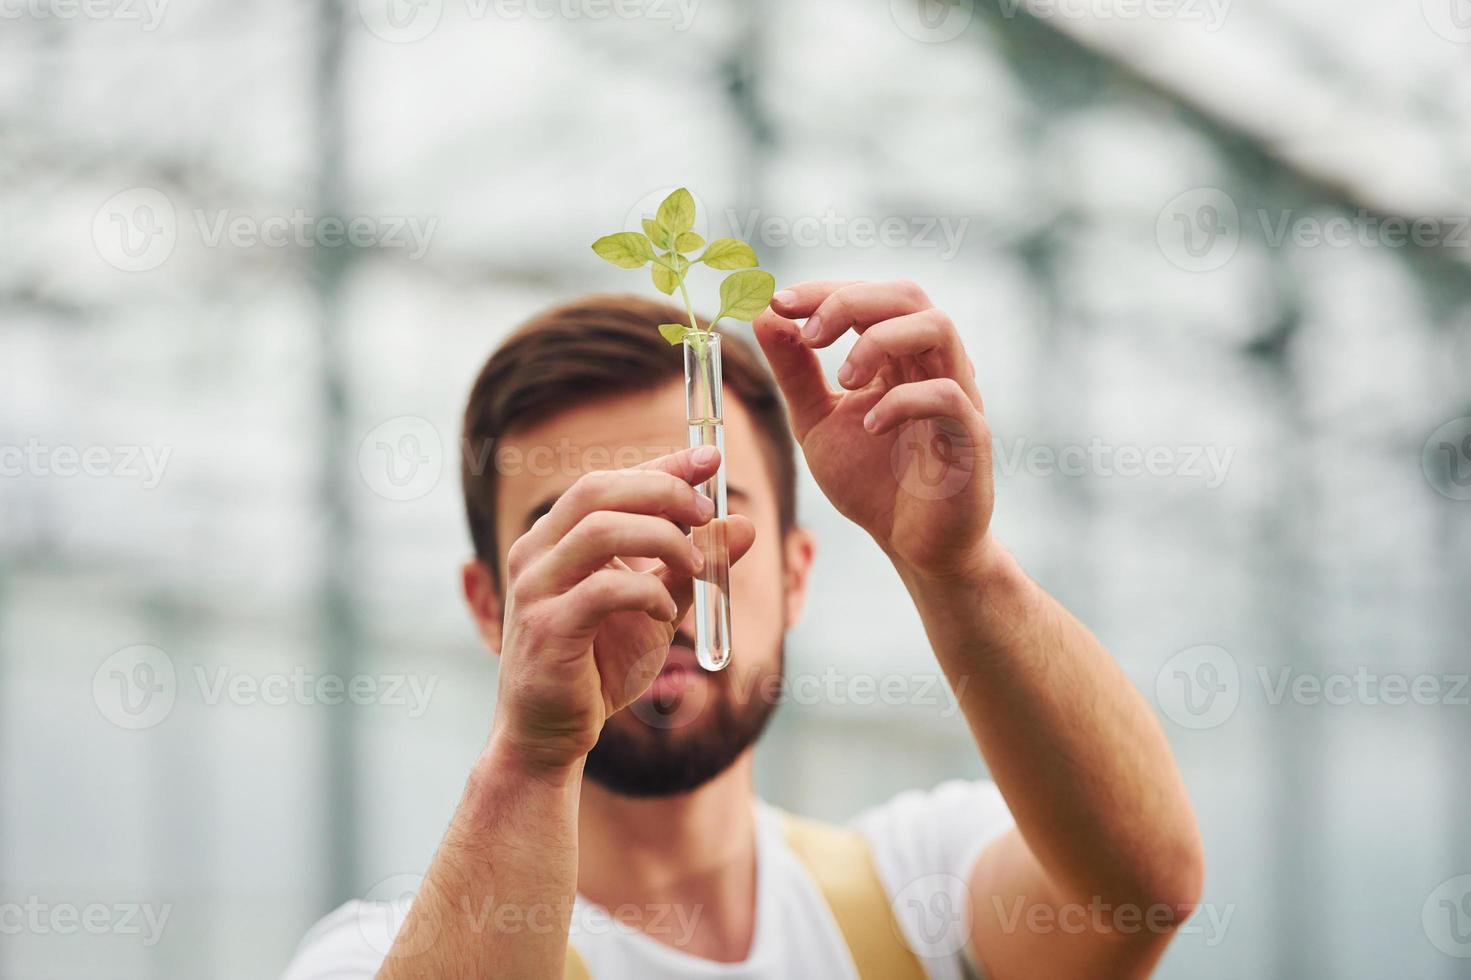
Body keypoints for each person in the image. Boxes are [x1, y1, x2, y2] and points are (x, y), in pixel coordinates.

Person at [282, 280, 1204, 979]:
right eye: (577, 532)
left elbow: (1138, 893)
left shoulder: (913, 892)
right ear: (493, 608)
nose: (662, 579)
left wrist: (956, 569)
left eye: (705, 515)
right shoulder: (375, 955)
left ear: (797, 574)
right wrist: (530, 758)